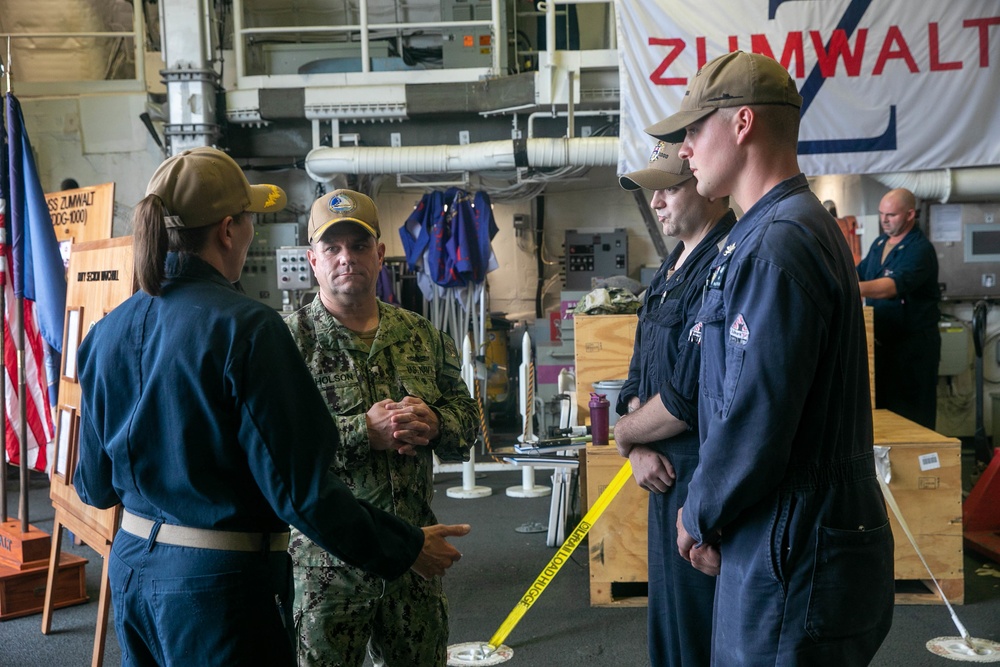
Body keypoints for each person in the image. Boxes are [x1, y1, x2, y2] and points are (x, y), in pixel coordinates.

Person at [73, 147, 470, 666]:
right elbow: (298, 494)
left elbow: (94, 486)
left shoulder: (107, 331)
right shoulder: (247, 328)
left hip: (131, 575)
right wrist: (407, 548)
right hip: (218, 591)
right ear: (228, 231)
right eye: (250, 220)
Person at [646, 51, 895, 665]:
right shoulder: (780, 230)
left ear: (742, 124)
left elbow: (753, 418)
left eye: (694, 130)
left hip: (793, 546)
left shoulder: (776, 244)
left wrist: (699, 514)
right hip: (792, 537)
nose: (684, 150)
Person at [285, 189, 477, 667]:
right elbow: (275, 451)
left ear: (380, 254)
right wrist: (359, 433)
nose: (346, 258)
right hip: (328, 567)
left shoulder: (420, 333)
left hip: (414, 557)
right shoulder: (287, 342)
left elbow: (468, 422)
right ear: (313, 260)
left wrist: (436, 425)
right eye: (332, 248)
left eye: (358, 244)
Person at [613, 141, 735, 666]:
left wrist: (624, 433)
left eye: (669, 187)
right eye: (652, 190)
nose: (657, 201)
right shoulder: (667, 271)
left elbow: (686, 397)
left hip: (702, 476)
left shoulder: (724, 263)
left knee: (701, 631)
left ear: (706, 188)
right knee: (668, 626)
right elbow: (637, 377)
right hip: (660, 471)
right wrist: (635, 447)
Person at [857, 188, 940, 430]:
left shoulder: (920, 249)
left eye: (891, 215)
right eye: (881, 214)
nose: (884, 220)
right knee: (884, 415)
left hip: (912, 351)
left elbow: (890, 287)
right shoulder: (880, 242)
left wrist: (848, 288)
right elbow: (859, 273)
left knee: (912, 417)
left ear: (910, 214)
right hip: (882, 347)